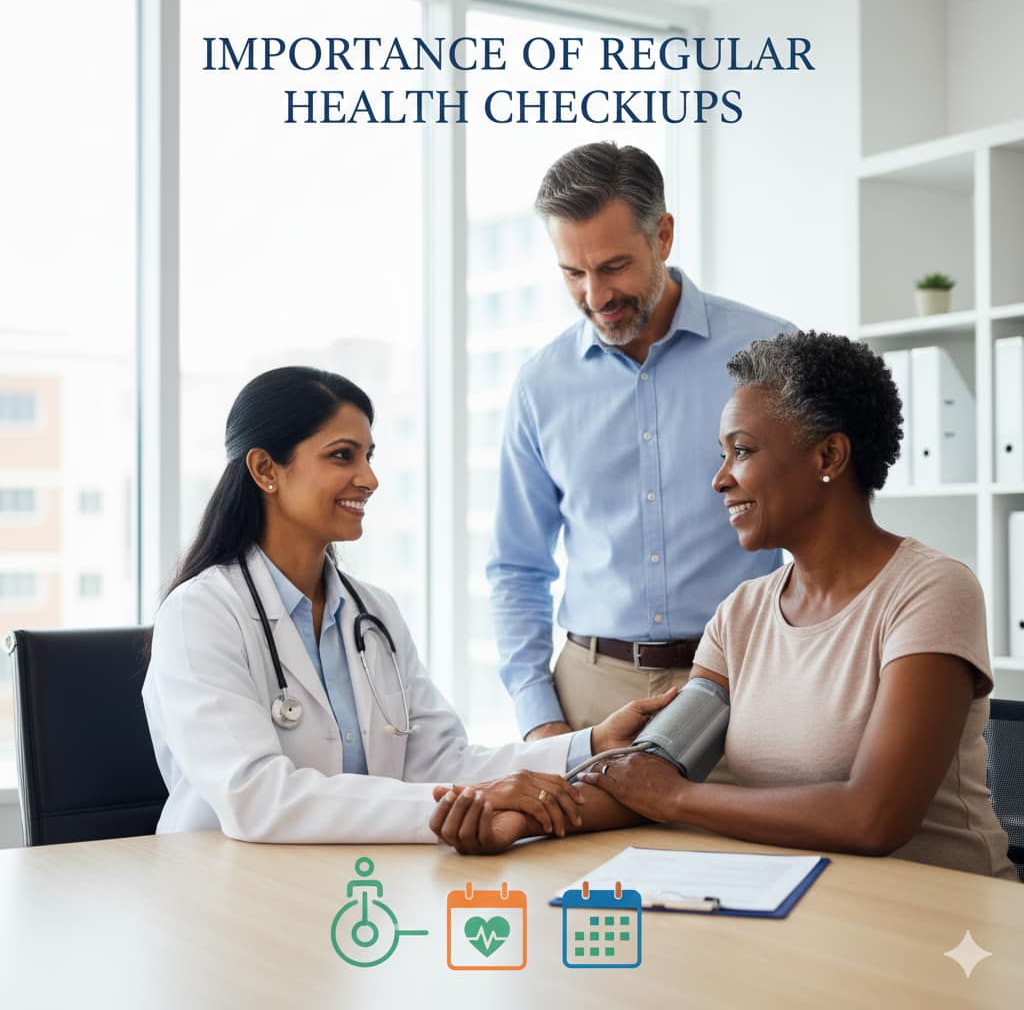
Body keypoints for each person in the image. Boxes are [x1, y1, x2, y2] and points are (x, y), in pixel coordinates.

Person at [433, 331, 1017, 881]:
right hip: (810, 908)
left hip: (944, 919)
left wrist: (678, 799)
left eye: (741, 451)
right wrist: (517, 818)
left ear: (828, 456)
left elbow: (874, 817)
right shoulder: (741, 614)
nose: (719, 480)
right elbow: (656, 770)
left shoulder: (930, 592)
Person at [142, 367, 676, 844]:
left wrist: (590, 744)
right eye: (341, 456)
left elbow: (442, 761)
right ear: (265, 470)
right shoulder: (201, 613)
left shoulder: (373, 613)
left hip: (349, 882)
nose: (369, 479)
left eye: (368, 457)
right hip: (223, 889)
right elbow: (257, 800)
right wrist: (470, 801)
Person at [489, 141, 793, 749]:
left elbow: (822, 529)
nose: (595, 296)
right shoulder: (540, 384)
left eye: (613, 266)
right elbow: (518, 567)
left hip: (746, 682)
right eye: (573, 274)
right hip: (588, 699)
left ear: (664, 237)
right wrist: (539, 717)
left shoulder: (772, 354)